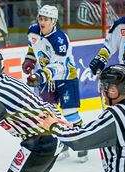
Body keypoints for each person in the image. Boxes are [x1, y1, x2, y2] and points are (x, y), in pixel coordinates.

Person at [23, 5, 88, 162]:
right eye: (41, 18)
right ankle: (63, 142)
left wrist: (40, 75)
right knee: (50, 113)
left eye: (46, 19)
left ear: (54, 21)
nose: (42, 22)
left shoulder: (60, 39)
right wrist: (29, 61)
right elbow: (32, 49)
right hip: (47, 79)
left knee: (70, 113)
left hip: (65, 77)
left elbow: (59, 65)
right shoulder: (33, 31)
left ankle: (82, 142)